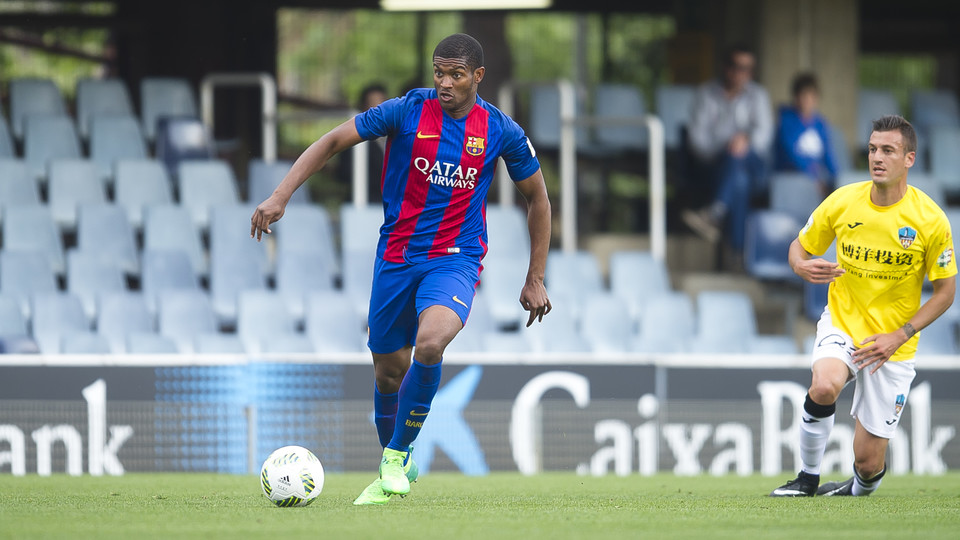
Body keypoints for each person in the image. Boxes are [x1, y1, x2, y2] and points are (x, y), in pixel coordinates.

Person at [250, 33, 553, 505]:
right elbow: (332, 141)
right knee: (389, 373)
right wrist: (280, 195)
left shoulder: (500, 130)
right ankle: (398, 458)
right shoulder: (406, 110)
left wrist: (534, 277)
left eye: (456, 74)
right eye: (439, 72)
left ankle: (393, 458)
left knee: (430, 343)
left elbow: (538, 198)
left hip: (455, 258)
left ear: (478, 76)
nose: (445, 82)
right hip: (395, 256)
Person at [770, 115, 956, 497]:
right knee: (824, 384)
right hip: (843, 321)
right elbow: (798, 248)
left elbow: (945, 293)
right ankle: (806, 479)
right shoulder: (843, 201)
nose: (877, 157)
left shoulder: (931, 220)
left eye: (888, 150)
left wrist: (900, 335)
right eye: (872, 149)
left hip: (893, 344)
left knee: (868, 463)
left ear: (909, 158)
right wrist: (800, 265)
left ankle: (857, 488)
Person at [682, 44, 773, 250]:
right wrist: (726, 148)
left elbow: (764, 137)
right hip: (714, 164)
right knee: (739, 181)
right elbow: (697, 141)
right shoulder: (705, 94)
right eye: (735, 66)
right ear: (724, 67)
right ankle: (737, 253)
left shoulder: (758, 95)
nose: (739, 73)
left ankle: (714, 213)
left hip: (754, 164)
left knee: (739, 158)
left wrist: (744, 141)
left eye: (746, 68)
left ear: (751, 72)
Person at [774, 73, 838, 197]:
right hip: (791, 179)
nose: (807, 100)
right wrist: (813, 177)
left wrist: (837, 179)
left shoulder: (820, 124)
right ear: (796, 97)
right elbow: (791, 155)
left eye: (811, 96)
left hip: (817, 180)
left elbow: (828, 156)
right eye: (804, 95)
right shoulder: (786, 122)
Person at [336, 83, 389, 202]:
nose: (378, 109)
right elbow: (344, 172)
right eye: (373, 104)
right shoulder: (352, 140)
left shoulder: (396, 136)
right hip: (365, 202)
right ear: (364, 107)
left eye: (382, 103)